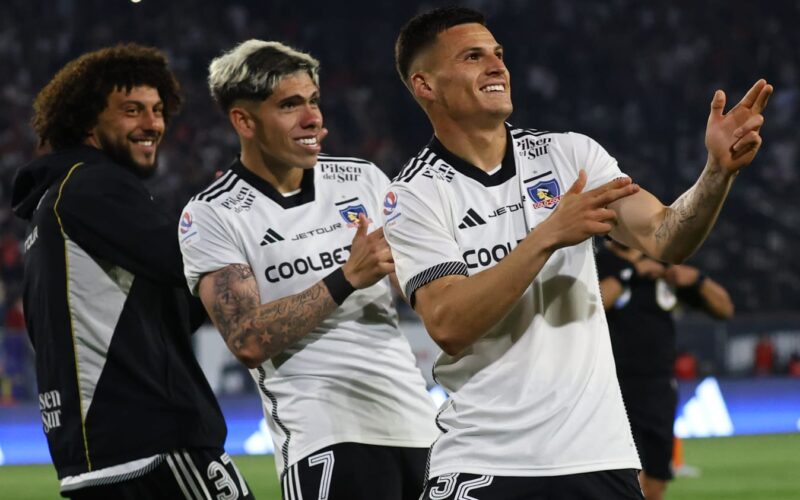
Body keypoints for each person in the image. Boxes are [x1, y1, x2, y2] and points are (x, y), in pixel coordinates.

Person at [385, 6, 771, 499]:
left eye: (498, 54)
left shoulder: (569, 155)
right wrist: (547, 235)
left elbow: (664, 237)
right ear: (425, 85)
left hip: (599, 457)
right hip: (487, 460)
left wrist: (716, 173)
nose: (497, 65)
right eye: (473, 56)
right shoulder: (413, 195)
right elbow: (450, 325)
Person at [179, 40, 438, 500]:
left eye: (314, 101)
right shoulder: (212, 215)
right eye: (290, 105)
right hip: (324, 439)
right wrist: (346, 278)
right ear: (244, 120)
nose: (313, 118)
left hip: (419, 428)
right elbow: (247, 338)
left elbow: (419, 288)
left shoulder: (363, 179)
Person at [11, 44, 252, 499]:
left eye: (158, 110)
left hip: (93, 459)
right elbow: (191, 262)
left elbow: (178, 306)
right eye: (132, 110)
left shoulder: (52, 206)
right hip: (155, 442)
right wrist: (236, 212)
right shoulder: (92, 186)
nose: (152, 124)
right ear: (88, 121)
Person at [597, 238, 734, 500]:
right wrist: (632, 272)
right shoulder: (599, 262)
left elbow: (724, 309)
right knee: (625, 478)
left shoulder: (664, 265)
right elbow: (595, 304)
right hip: (612, 386)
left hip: (659, 386)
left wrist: (697, 280)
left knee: (657, 482)